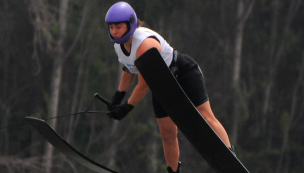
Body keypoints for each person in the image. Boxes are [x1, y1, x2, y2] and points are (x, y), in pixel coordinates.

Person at [104, 2, 233, 173]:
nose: (114, 31)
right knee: (167, 132)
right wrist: (118, 96)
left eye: (118, 27)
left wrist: (127, 107)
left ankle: (231, 159)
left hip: (183, 73)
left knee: (206, 117)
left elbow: (143, 85)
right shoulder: (119, 47)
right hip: (162, 85)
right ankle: (173, 171)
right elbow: (129, 70)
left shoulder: (144, 44)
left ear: (130, 23)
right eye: (111, 27)